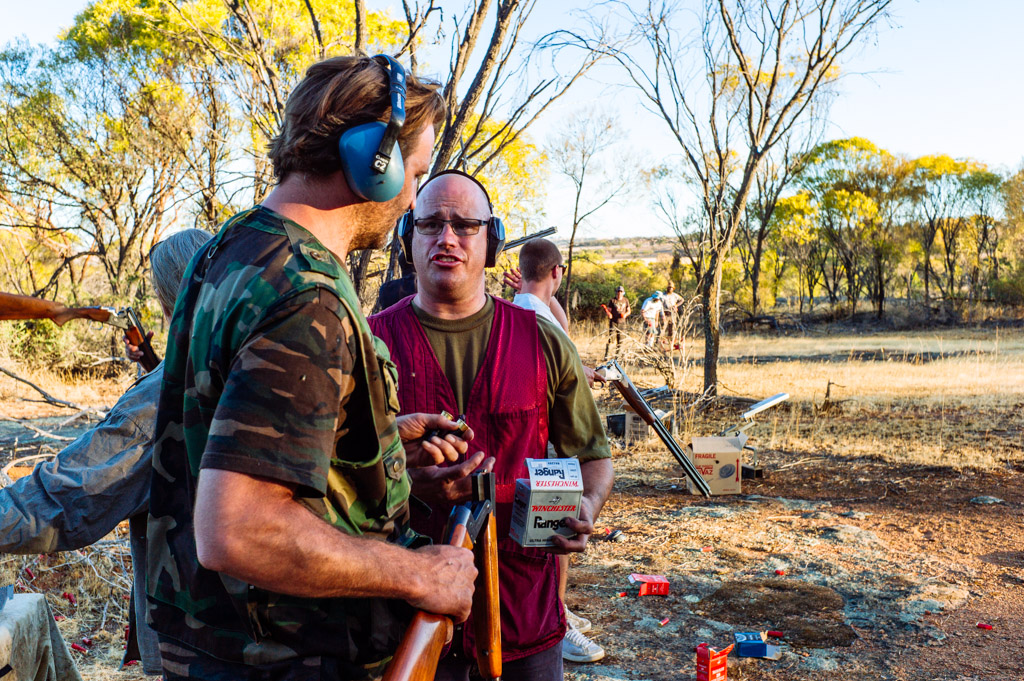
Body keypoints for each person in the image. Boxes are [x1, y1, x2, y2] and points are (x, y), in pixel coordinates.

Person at [146, 55, 478, 681]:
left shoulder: (226, 250)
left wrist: (374, 452)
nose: (412, 195)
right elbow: (237, 529)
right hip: (289, 659)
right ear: (372, 162)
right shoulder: (308, 294)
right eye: (415, 172)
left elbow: (230, 441)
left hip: (212, 649)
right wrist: (418, 573)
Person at [369, 170, 614, 680]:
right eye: (430, 223)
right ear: (406, 239)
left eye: (466, 225)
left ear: (493, 241)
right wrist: (406, 483)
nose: (448, 238)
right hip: (402, 618)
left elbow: (592, 457)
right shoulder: (366, 344)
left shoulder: (543, 340)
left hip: (524, 614)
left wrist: (586, 506)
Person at [0, 228, 212, 676]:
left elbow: (66, 497)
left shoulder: (160, 398)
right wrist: (155, 363)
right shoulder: (268, 354)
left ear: (170, 299)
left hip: (205, 639)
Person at [508, 239, 607, 664]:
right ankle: (556, 622)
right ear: (557, 272)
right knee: (557, 533)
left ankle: (558, 610)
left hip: (535, 445)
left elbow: (563, 348)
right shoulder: (533, 314)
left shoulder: (520, 308)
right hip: (547, 447)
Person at [604, 285, 630, 357]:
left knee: (620, 340)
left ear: (623, 292)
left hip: (622, 322)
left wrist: (625, 314)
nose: (619, 293)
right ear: (616, 292)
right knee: (611, 339)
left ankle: (617, 356)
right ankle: (607, 355)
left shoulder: (626, 300)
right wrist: (609, 314)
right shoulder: (612, 300)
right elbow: (608, 310)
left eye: (621, 291)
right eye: (618, 291)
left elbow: (629, 311)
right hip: (613, 322)